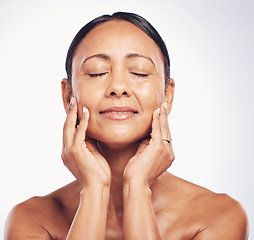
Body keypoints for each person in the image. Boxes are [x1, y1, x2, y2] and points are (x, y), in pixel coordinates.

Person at [5, 12, 248, 240]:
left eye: (140, 72)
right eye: (96, 72)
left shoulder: (218, 215)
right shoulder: (32, 219)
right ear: (68, 95)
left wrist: (138, 188)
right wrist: (94, 189)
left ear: (168, 95)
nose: (118, 87)